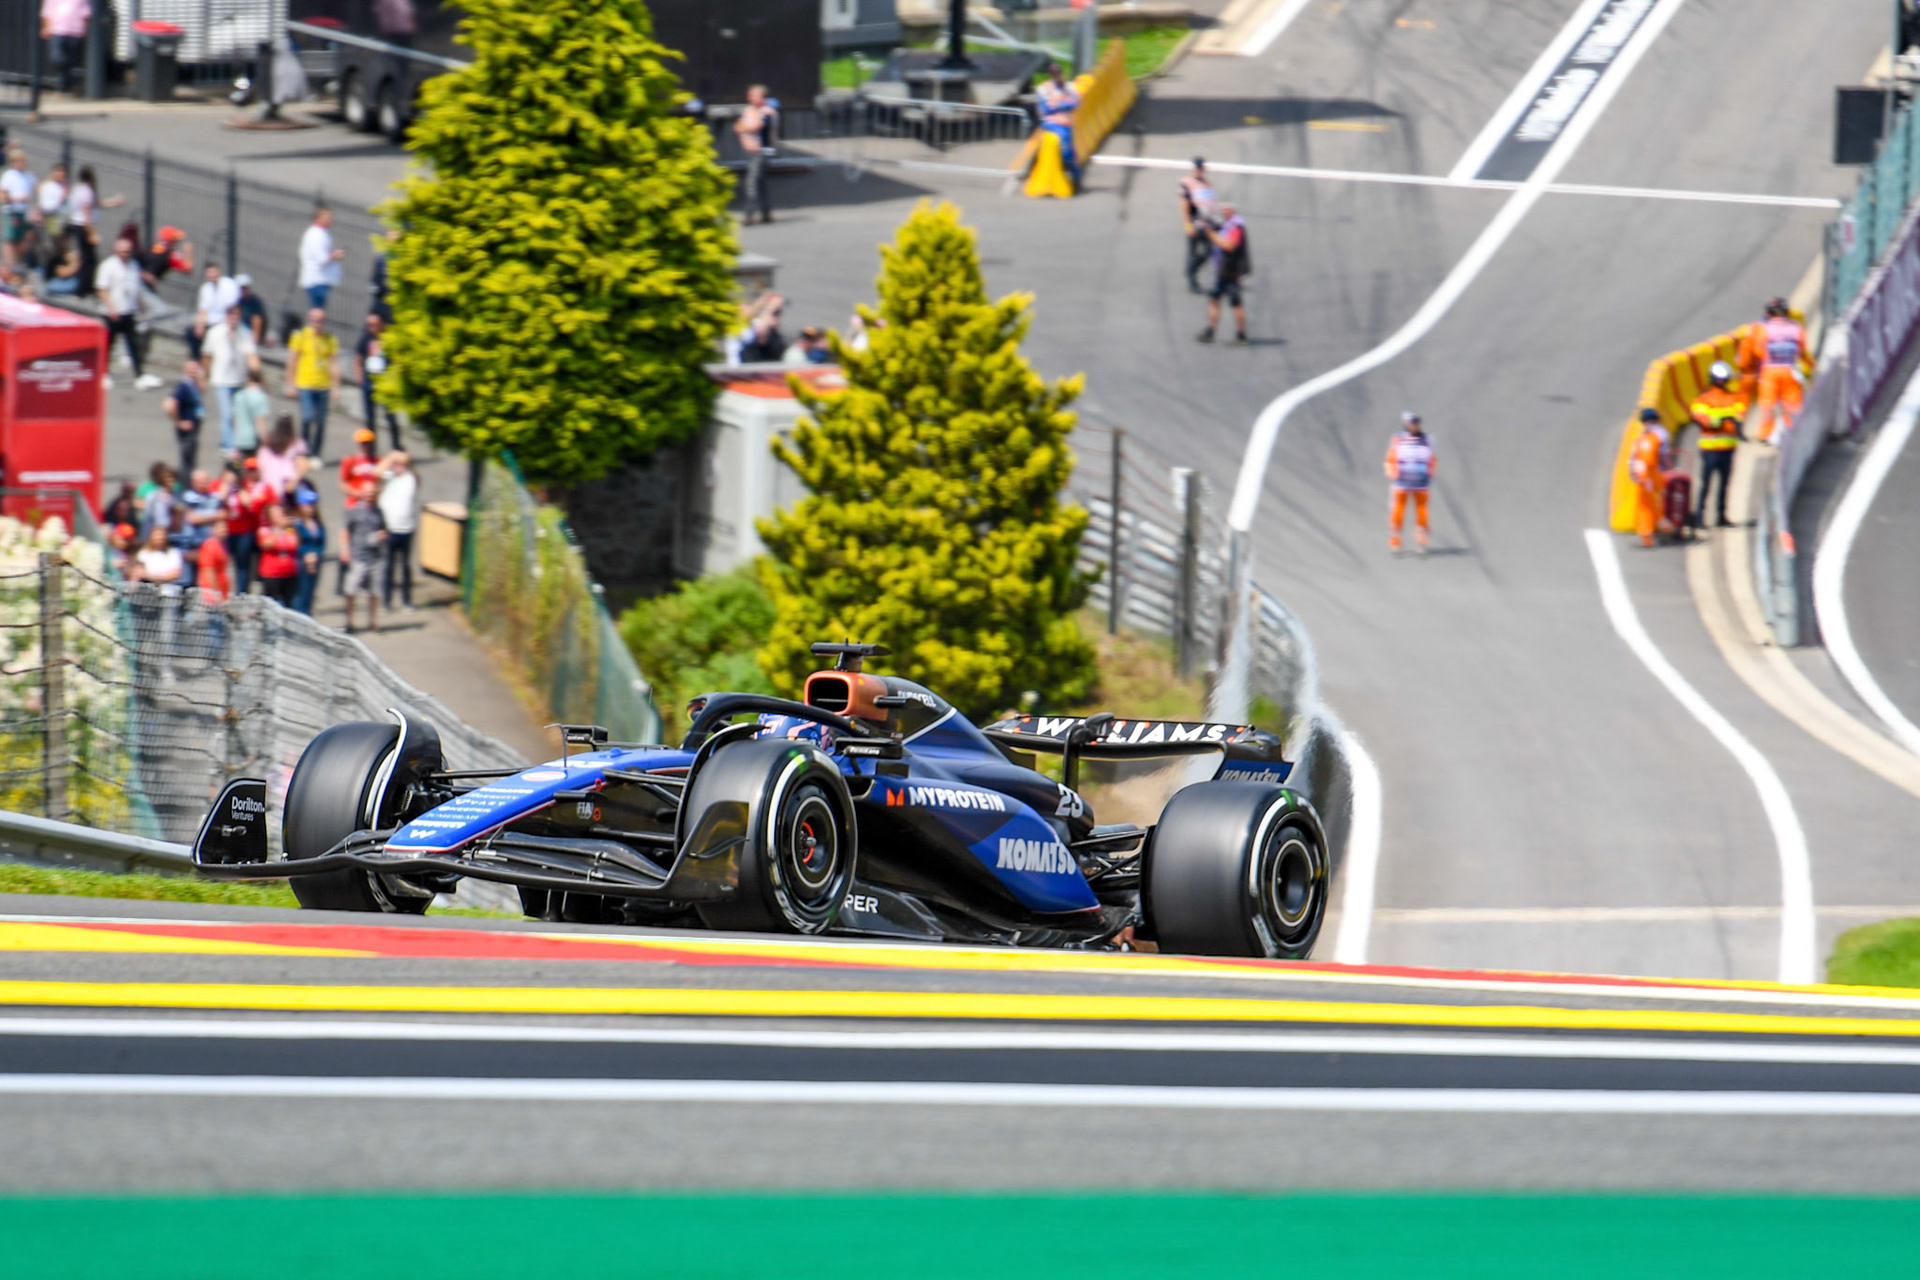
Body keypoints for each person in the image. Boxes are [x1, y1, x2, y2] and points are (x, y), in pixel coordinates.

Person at [96, 238, 158, 389]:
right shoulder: (108, 266)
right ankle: (103, 374)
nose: (126, 254)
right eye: (123, 251)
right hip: (111, 313)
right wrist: (111, 307)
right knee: (108, 345)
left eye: (128, 251)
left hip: (128, 312)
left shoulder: (134, 265)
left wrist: (140, 308)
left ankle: (139, 375)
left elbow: (136, 289)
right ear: (116, 251)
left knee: (133, 345)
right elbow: (101, 289)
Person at [1691, 360, 1746, 529]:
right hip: (1710, 450)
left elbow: (1740, 416)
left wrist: (1723, 420)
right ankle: (1699, 517)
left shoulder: (1733, 398)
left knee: (1724, 485)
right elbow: (1703, 420)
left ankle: (1721, 516)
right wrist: (1722, 420)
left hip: (1727, 449)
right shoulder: (1703, 399)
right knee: (1706, 484)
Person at [1746, 298, 1808, 444]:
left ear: (1769, 313)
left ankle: (1765, 434)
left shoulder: (1762, 328)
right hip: (1790, 369)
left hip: (1770, 371)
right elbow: (1802, 351)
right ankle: (1792, 429)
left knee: (1768, 403)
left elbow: (1758, 351)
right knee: (1792, 402)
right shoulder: (1795, 327)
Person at [202, 304, 261, 457]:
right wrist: (204, 376)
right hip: (221, 380)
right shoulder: (215, 332)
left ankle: (231, 441)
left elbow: (251, 355)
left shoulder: (244, 332)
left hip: (239, 380)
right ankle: (229, 446)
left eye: (237, 315)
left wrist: (256, 373)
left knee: (238, 414)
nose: (234, 318)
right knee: (227, 413)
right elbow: (207, 355)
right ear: (227, 316)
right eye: (232, 315)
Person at [286, 307, 340, 460]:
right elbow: (292, 361)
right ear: (310, 320)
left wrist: (336, 387)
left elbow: (333, 363)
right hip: (305, 383)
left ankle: (316, 453)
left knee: (321, 421)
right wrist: (290, 384)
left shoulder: (329, 339)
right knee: (307, 418)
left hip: (323, 385)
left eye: (320, 320)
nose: (317, 323)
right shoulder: (301, 336)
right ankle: (303, 451)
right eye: (315, 320)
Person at [1197, 202, 1250, 345]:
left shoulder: (1236, 227)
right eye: (1223, 209)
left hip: (1230, 272)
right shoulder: (1226, 224)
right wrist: (1205, 223)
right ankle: (1210, 331)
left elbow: (1229, 246)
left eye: (1227, 209)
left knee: (1235, 303)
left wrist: (1210, 234)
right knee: (1214, 299)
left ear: (1234, 211)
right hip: (1222, 270)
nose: (1224, 211)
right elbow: (1214, 226)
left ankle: (1241, 335)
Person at [1384, 411, 1435, 554]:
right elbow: (1391, 456)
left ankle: (1421, 540)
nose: (1414, 426)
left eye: (1416, 423)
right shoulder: (1398, 439)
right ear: (1407, 424)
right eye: (1412, 423)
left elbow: (1432, 458)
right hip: (1402, 482)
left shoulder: (1427, 439)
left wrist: (1430, 472)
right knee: (1398, 510)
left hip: (1421, 482)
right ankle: (1395, 539)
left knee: (1422, 511)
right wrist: (1392, 473)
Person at [377, 452, 419, 612]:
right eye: (396, 464)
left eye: (401, 464)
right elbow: (376, 472)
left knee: (406, 566)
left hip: (407, 529)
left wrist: (403, 459)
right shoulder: (390, 477)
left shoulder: (410, 478)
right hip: (390, 529)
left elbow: (415, 473)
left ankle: (407, 601)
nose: (398, 467)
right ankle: (386, 601)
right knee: (388, 566)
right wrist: (391, 458)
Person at [340, 493, 386, 633]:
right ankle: (349, 622)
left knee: (375, 591)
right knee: (351, 590)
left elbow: (384, 529)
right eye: (367, 495)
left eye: (372, 495)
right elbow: (345, 529)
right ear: (362, 495)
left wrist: (381, 536)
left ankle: (373, 622)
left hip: (376, 557)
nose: (369, 497)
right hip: (358, 556)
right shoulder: (354, 511)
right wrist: (345, 548)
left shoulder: (379, 512)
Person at [355, 312, 401, 450]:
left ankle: (396, 446)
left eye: (374, 325)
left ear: (381, 324)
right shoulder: (365, 338)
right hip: (369, 381)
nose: (371, 328)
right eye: (369, 325)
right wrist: (359, 377)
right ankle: (371, 449)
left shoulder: (387, 338)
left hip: (384, 382)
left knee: (391, 417)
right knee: (370, 419)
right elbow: (358, 358)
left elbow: (395, 359)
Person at [735, 85, 779, 225]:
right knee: (760, 183)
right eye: (749, 95)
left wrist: (744, 127)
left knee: (752, 182)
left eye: (754, 95)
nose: (750, 98)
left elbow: (756, 127)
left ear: (763, 97)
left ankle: (749, 214)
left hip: (761, 153)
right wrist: (744, 127)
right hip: (750, 152)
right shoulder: (748, 110)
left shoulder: (768, 112)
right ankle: (766, 213)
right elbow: (736, 127)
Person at [1035, 63, 1082, 192]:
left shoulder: (1069, 87)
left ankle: (1075, 176)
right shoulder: (1043, 89)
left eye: (1058, 73)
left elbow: (1075, 103)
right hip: (1050, 122)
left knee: (1070, 151)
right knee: (1064, 143)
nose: (1056, 76)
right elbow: (1045, 109)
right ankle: (1067, 169)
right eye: (1053, 73)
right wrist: (1062, 105)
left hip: (1065, 122)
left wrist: (1059, 105)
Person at [1179, 157, 1217, 294]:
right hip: (1195, 223)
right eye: (1196, 168)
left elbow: (1210, 205)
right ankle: (1192, 281)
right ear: (1193, 169)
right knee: (1193, 254)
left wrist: (1213, 222)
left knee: (1209, 251)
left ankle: (1191, 270)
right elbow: (1184, 207)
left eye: (1200, 168)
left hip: (1206, 224)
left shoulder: (1208, 184)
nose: (1198, 170)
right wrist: (1188, 226)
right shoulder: (1186, 183)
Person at [1630, 409, 1667, 549]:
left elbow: (1640, 458)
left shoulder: (1647, 438)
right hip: (1653, 475)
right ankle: (1661, 525)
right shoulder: (1657, 435)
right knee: (1653, 502)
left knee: (1646, 505)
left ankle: (1649, 533)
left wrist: (1636, 474)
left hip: (1648, 476)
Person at [190, 263, 240, 363]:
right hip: (210, 322)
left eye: (214, 272)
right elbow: (203, 310)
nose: (212, 275)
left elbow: (232, 308)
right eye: (209, 272)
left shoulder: (229, 285)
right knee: (191, 333)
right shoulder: (205, 288)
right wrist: (199, 325)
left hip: (224, 322)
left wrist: (230, 326)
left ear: (218, 272)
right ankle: (197, 361)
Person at [255, 503, 302, 608]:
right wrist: (278, 530)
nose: (280, 514)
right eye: (275, 512)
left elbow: (295, 544)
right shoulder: (264, 530)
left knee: (290, 603)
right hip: (272, 573)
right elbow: (267, 544)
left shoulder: (290, 529)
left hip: (290, 572)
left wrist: (291, 526)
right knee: (272, 604)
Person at [298, 206, 345, 310]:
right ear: (318, 218)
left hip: (320, 280)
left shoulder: (321, 233)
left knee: (318, 310)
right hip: (317, 280)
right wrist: (336, 255)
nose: (330, 220)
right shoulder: (316, 235)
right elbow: (321, 258)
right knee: (317, 311)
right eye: (327, 217)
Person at [165, 361, 206, 477]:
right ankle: (186, 483)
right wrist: (179, 422)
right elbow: (171, 405)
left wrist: (201, 378)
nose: (194, 372)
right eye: (191, 370)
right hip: (187, 428)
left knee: (192, 458)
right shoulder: (183, 386)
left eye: (196, 370)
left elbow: (203, 388)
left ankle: (191, 481)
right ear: (185, 371)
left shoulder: (194, 385)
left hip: (195, 426)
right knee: (187, 460)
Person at [255, 413, 309, 499]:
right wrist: (294, 481)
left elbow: (260, 467)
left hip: (268, 487)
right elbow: (303, 465)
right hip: (288, 485)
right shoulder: (297, 443)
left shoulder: (266, 445)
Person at [41, 0, 90, 96]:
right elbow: (47, 12)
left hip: (76, 31)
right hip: (57, 31)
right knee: (59, 59)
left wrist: (85, 29)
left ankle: (64, 88)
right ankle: (64, 86)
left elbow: (86, 14)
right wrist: (46, 27)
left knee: (71, 61)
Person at [2, 149, 36, 272]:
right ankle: (10, 267)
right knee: (11, 240)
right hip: (12, 211)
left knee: (22, 241)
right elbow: (3, 196)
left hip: (24, 212)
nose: (21, 163)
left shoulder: (29, 175)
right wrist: (17, 199)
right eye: (19, 161)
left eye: (23, 161)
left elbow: (37, 188)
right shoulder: (9, 176)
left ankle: (19, 266)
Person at [293, 501, 327, 615]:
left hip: (315, 561)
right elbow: (296, 542)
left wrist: (316, 554)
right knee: (301, 592)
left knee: (310, 592)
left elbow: (322, 542)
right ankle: (299, 614)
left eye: (312, 506)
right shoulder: (297, 524)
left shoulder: (318, 523)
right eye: (307, 506)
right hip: (301, 561)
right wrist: (305, 555)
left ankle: (307, 613)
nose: (310, 508)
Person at [140, 225, 192, 292]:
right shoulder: (171, 255)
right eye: (175, 240)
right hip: (146, 286)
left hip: (139, 279)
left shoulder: (154, 247)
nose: (177, 242)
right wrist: (189, 252)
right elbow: (188, 269)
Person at [341, 427, 382, 508]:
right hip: (354, 503)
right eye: (363, 443)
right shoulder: (349, 461)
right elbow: (343, 483)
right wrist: (356, 493)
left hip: (373, 503)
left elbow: (383, 482)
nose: (366, 446)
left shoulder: (378, 460)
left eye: (368, 443)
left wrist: (375, 491)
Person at [196, 515, 232, 604]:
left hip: (221, 594)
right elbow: (208, 570)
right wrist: (215, 592)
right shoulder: (210, 545)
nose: (224, 530)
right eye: (220, 528)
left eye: (225, 527)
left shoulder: (221, 545)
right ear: (212, 529)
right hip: (211, 596)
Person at [233, 274, 269, 345]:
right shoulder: (235, 300)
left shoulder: (254, 301)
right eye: (241, 288)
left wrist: (256, 335)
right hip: (236, 331)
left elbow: (257, 318)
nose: (242, 290)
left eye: (244, 288)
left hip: (248, 332)